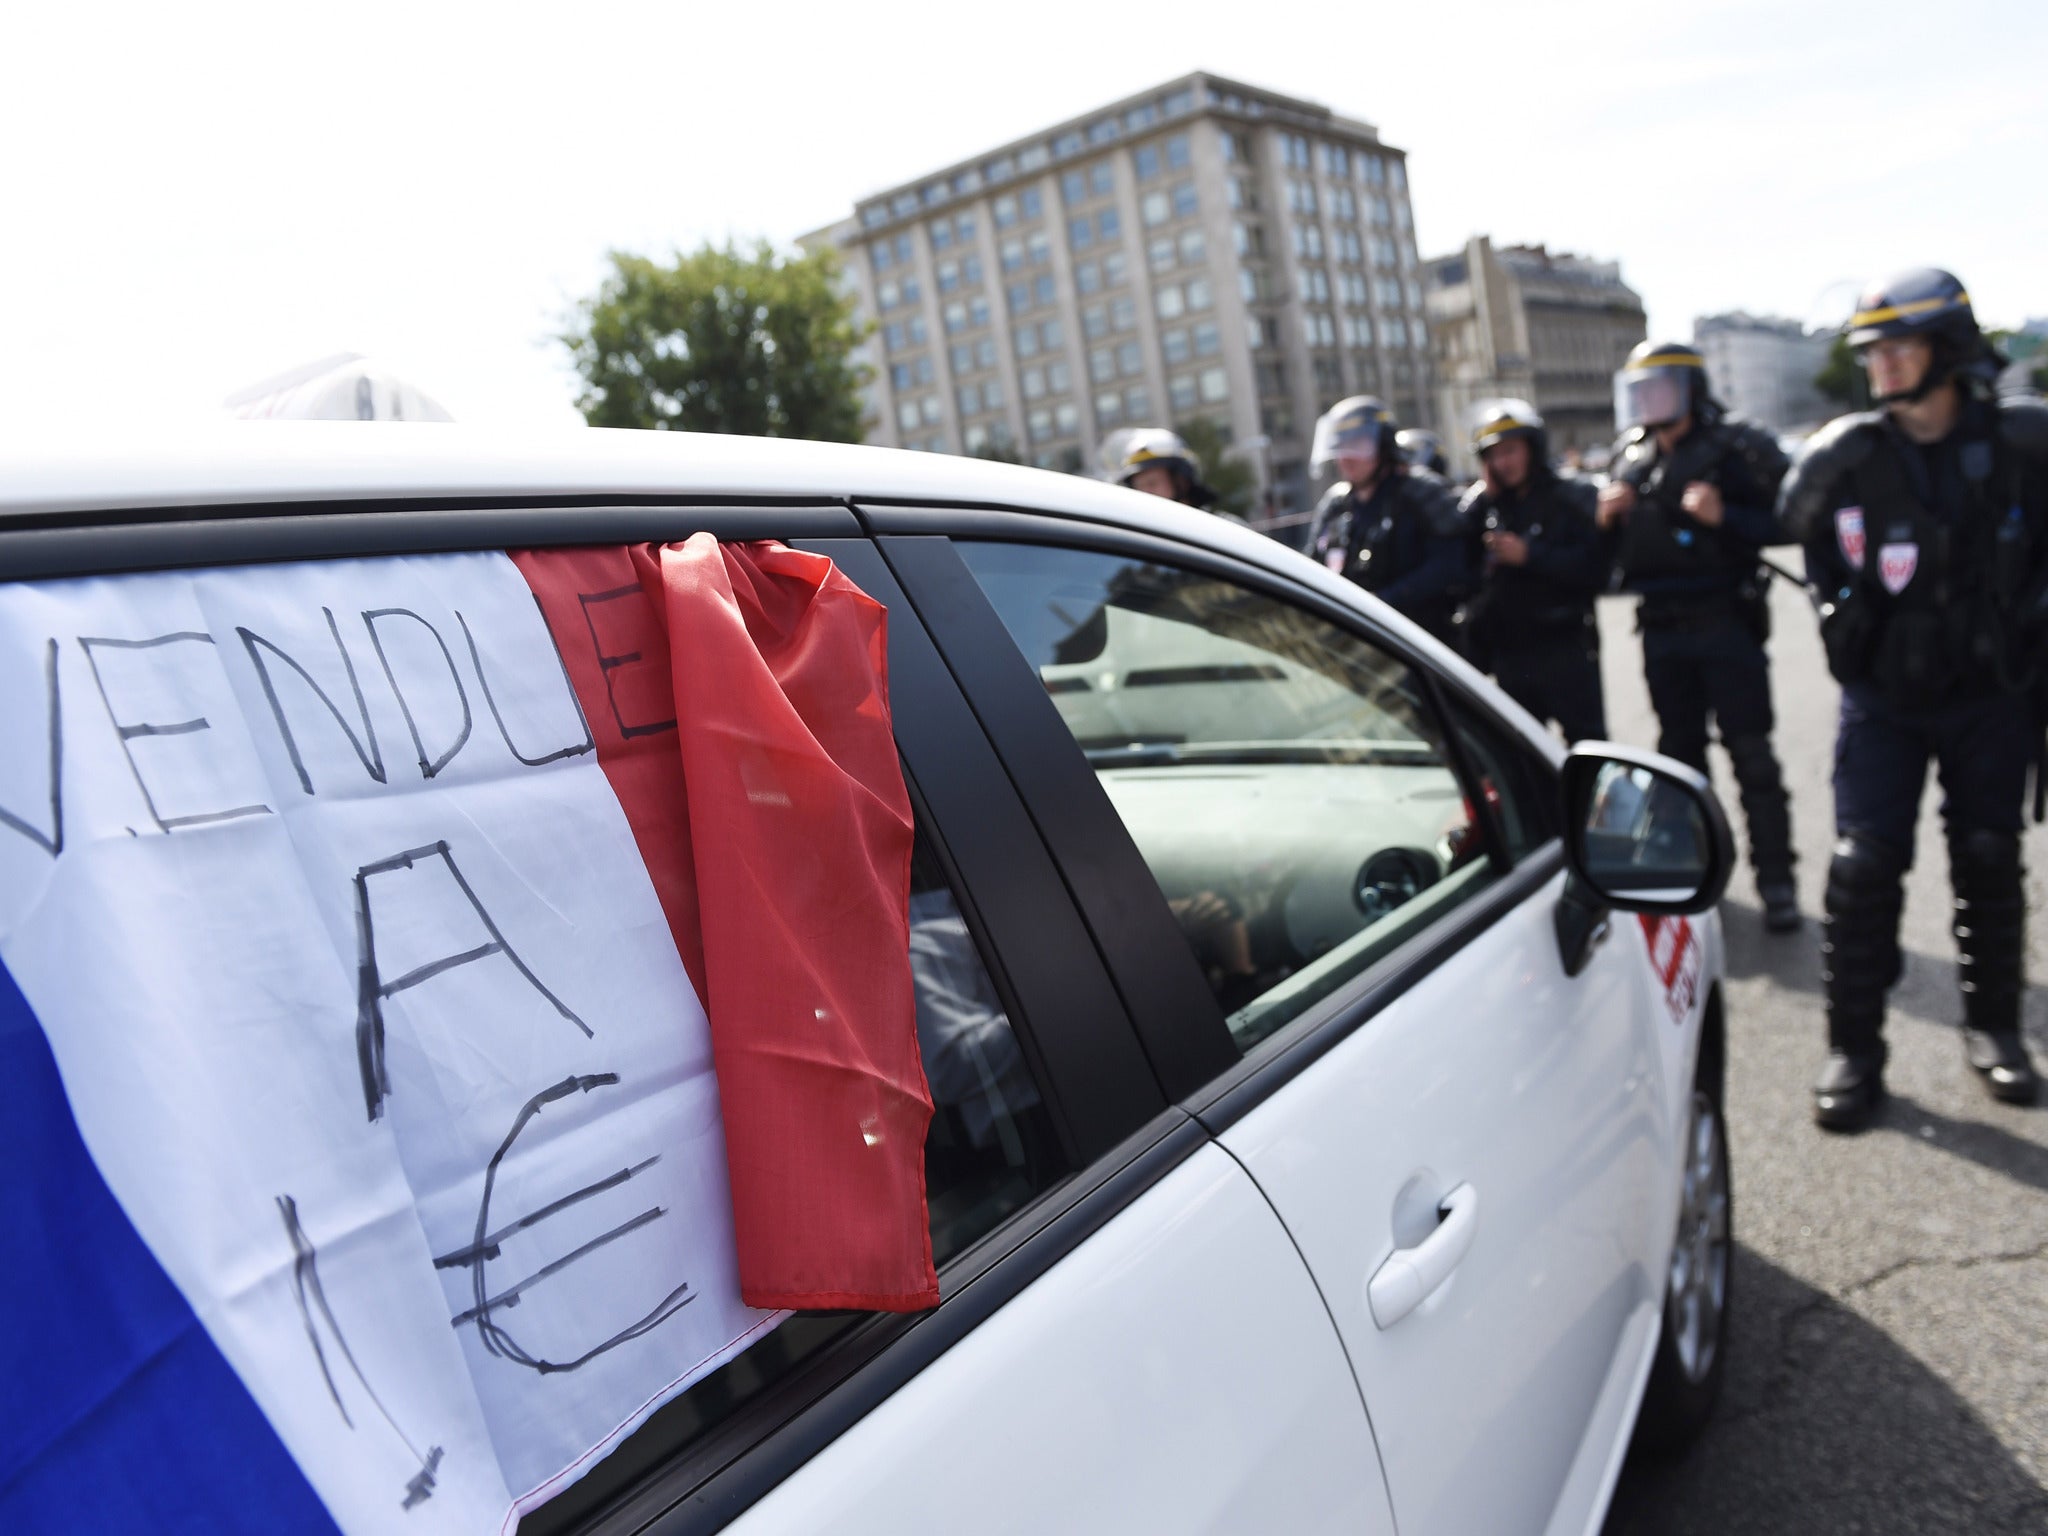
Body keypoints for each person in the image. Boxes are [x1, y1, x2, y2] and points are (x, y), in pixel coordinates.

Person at [1778, 268, 2048, 1128]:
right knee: (1861, 874)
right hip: (1883, 700)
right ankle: (1854, 1050)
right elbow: (1793, 532)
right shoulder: (1843, 455)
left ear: (1951, 347)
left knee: (1989, 858)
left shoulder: (2025, 444)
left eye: (1900, 346)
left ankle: (1997, 1031)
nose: (1883, 365)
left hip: (1992, 696)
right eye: (1873, 351)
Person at [1599, 340, 1800, 932]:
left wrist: (1727, 517)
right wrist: (1605, 522)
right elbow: (1609, 562)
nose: (1647, 401)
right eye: (1639, 390)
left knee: (1753, 757)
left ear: (1689, 389)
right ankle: (1691, 875)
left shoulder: (1736, 447)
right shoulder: (1630, 460)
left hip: (1725, 624)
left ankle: (1777, 881)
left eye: (1658, 387)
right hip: (1661, 632)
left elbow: (1792, 517)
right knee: (1679, 762)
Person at [1456, 399, 1607, 741]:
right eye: (1493, 455)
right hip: (1510, 654)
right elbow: (1457, 563)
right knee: (1520, 759)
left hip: (1565, 645)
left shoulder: (1571, 496)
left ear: (1532, 448)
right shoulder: (1486, 506)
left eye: (1511, 450)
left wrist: (1531, 555)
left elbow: (1596, 570)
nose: (1503, 462)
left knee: (1590, 752)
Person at [1307, 396, 1471, 647]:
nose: (1346, 457)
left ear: (1383, 446)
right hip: (1358, 645)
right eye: (1340, 446)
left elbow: (1450, 564)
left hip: (1423, 645)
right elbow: (1312, 568)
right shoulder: (1335, 505)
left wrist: (1385, 601)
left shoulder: (1421, 492)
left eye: (1357, 445)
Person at [1110, 427, 1219, 509]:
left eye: (1152, 483)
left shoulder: (1219, 528)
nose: (1145, 492)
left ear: (1181, 481)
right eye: (1138, 487)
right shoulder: (1139, 534)